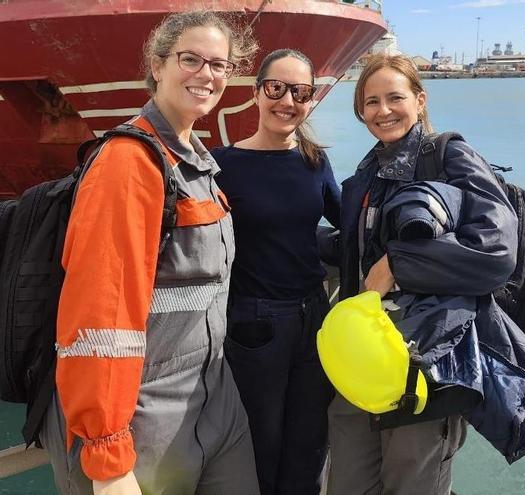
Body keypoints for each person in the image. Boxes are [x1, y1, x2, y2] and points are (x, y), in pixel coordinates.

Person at [39, 11, 260, 495]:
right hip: (143, 411)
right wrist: (108, 455)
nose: (206, 74)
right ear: (157, 65)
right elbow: (100, 315)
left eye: (219, 65)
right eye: (190, 59)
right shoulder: (129, 163)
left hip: (212, 396)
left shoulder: (198, 162)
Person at [326, 55, 519, 494]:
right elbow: (354, 249)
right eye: (371, 102)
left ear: (420, 99)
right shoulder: (365, 175)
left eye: (395, 97)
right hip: (364, 359)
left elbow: (496, 251)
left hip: (425, 363)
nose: (383, 110)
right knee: (347, 483)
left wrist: (396, 263)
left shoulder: (449, 156)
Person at [211, 48, 340, 495]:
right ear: (256, 93)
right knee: (259, 443)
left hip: (314, 316)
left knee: (310, 441)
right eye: (276, 88)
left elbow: (351, 222)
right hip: (255, 322)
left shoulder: (314, 162)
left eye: (301, 91)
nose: (288, 100)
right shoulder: (222, 165)